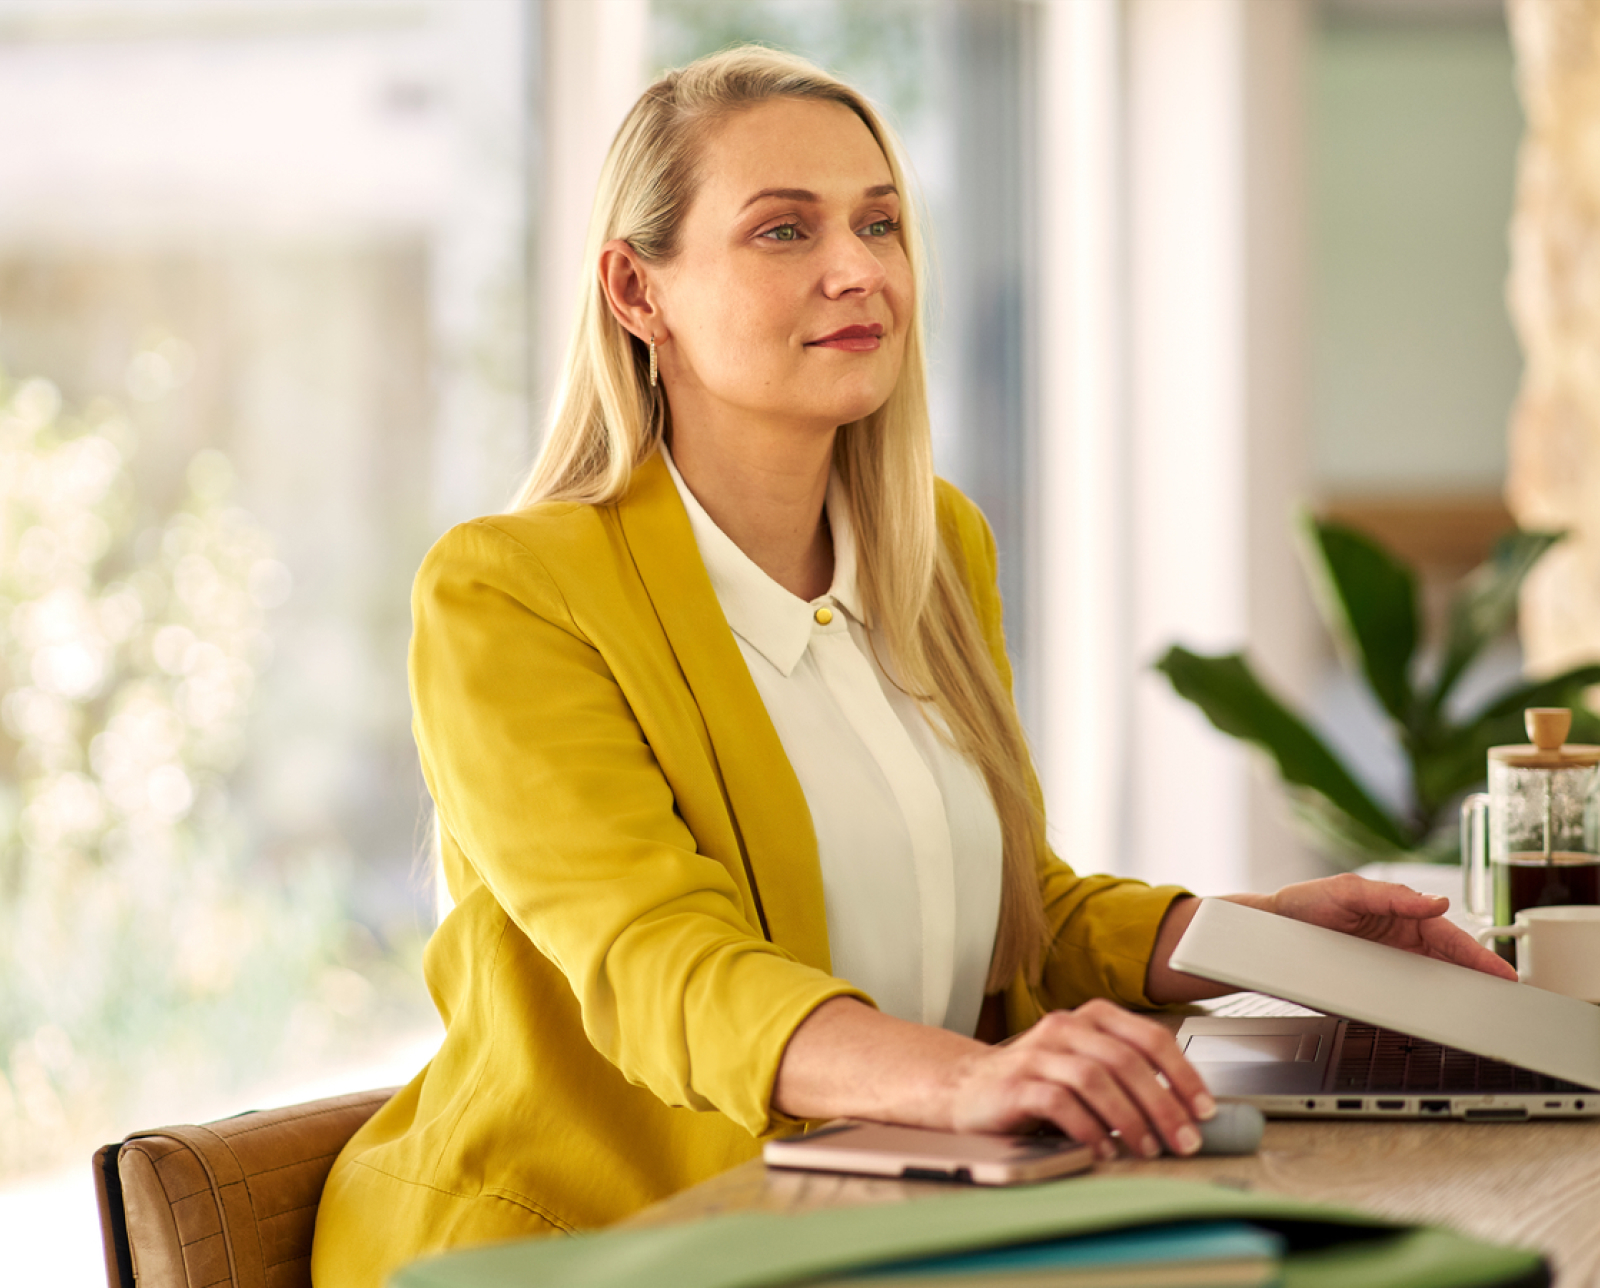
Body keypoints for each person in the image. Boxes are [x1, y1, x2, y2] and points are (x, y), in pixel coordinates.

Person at [309, 46, 1513, 1288]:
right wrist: (977, 1080)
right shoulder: (510, 591)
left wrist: (1251, 940)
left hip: (872, 1217)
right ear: (635, 290)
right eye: (783, 231)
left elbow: (1010, 919)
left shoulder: (935, 547)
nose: (857, 269)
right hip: (589, 1241)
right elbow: (663, 967)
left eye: (878, 221)